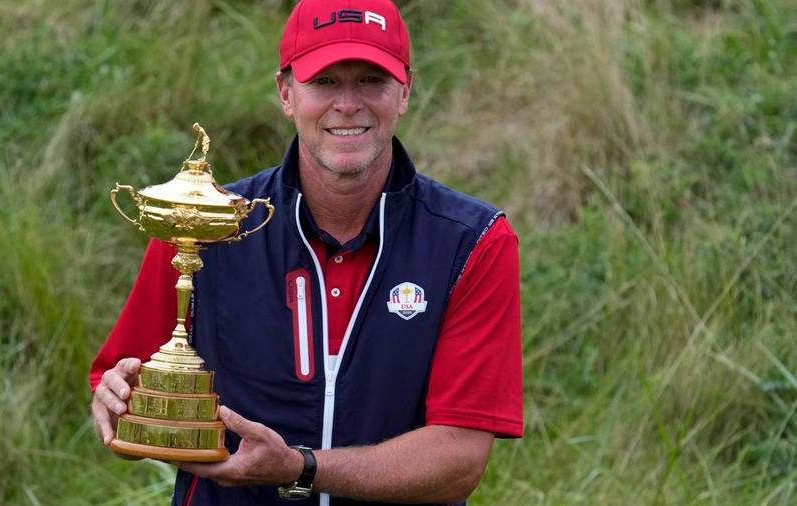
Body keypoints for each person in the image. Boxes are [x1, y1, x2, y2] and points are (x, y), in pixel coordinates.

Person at [90, 1, 522, 504]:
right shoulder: (201, 225)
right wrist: (122, 403)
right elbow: (125, 407)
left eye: (370, 80)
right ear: (286, 93)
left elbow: (459, 459)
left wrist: (300, 468)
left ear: (404, 92)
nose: (348, 104)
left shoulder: (473, 241)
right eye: (324, 82)